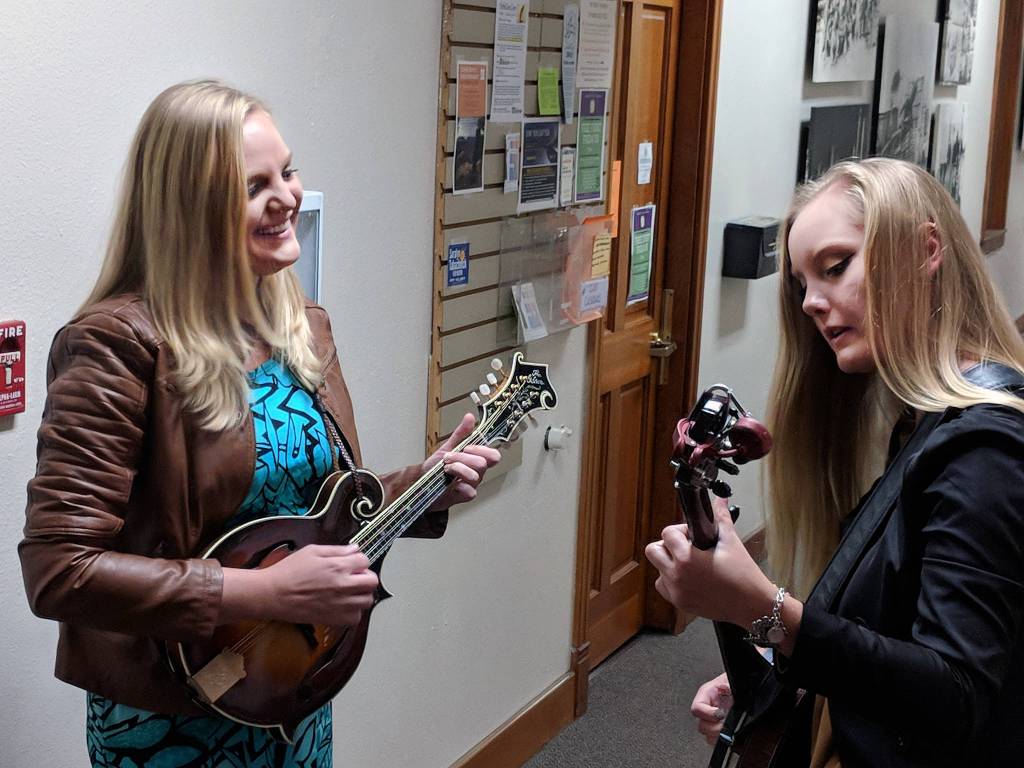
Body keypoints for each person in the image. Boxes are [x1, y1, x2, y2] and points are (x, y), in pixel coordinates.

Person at [19, 79, 501, 767]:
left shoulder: (303, 329)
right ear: (190, 209)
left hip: (291, 691)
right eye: (254, 187)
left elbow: (312, 517)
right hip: (170, 720)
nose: (288, 197)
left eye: (288, 170)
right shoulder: (116, 346)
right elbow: (58, 570)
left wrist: (423, 484)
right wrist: (262, 591)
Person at [645, 158, 1024, 767]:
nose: (811, 304)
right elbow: (887, 633)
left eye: (836, 266)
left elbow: (954, 698)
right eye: (802, 284)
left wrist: (762, 608)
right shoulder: (921, 427)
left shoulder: (985, 451)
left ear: (927, 250)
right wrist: (771, 675)